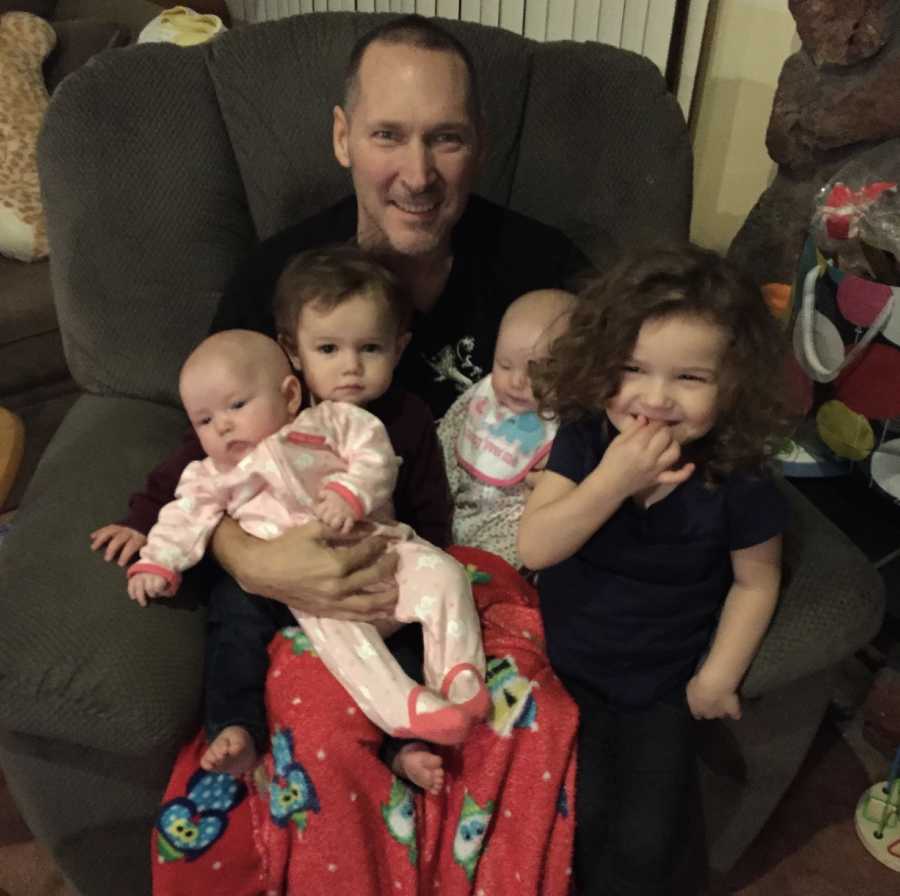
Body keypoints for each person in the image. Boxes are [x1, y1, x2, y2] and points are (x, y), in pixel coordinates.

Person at [93, 247, 470, 792]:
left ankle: (406, 742)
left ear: (399, 347)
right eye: (328, 349)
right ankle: (235, 728)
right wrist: (141, 521)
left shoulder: (406, 417)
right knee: (232, 625)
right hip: (267, 576)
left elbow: (430, 504)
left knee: (401, 639)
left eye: (369, 349)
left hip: (365, 566)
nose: (350, 367)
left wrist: (430, 558)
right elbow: (191, 472)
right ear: (294, 357)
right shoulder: (268, 407)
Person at [519, 244, 791, 895]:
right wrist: (612, 482)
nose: (654, 398)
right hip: (556, 664)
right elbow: (535, 546)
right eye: (632, 369)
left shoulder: (739, 475)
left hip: (660, 685)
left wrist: (718, 677)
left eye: (690, 379)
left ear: (733, 383)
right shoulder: (588, 438)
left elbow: (758, 581)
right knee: (563, 816)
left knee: (647, 837)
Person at [437, 288, 575, 568]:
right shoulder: (484, 397)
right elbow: (446, 436)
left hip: (508, 526)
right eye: (504, 365)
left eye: (537, 372)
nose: (516, 381)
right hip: (452, 510)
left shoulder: (569, 424)